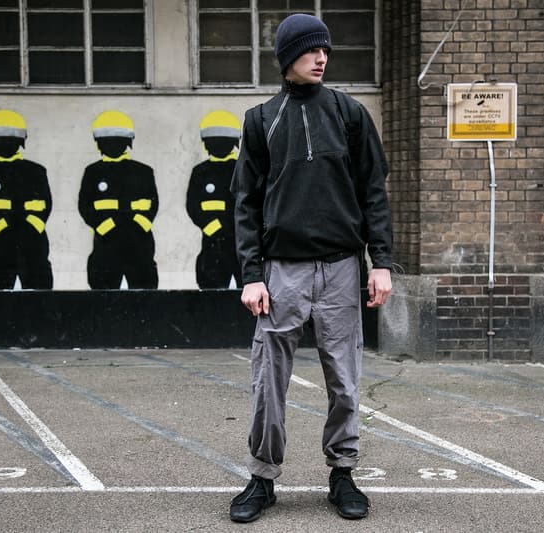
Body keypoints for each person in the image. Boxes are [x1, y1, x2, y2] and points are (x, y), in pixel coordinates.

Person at [229, 13, 393, 522]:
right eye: (309, 50)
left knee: (344, 377)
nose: (321, 57)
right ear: (286, 59)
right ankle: (262, 477)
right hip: (281, 272)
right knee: (268, 378)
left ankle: (342, 474)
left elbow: (373, 193)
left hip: (342, 267)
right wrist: (251, 274)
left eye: (324, 49)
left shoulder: (349, 113)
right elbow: (246, 205)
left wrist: (380, 262)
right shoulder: (261, 120)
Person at [0, 109, 53, 290]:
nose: (5, 144)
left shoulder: (36, 171)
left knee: (38, 296)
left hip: (32, 244)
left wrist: (30, 227)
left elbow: (44, 205)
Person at [78, 110, 159, 289]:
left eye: (118, 140)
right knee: (103, 295)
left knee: (145, 295)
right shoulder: (93, 172)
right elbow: (85, 206)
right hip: (106, 244)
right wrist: (104, 227)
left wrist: (139, 224)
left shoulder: (143, 172)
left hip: (139, 242)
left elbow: (152, 204)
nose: (113, 145)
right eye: (107, 141)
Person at [186, 110, 242, 289]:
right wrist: (213, 228)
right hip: (213, 243)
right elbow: (193, 206)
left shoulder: (244, 169)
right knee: (211, 294)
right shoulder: (200, 172)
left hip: (241, 243)